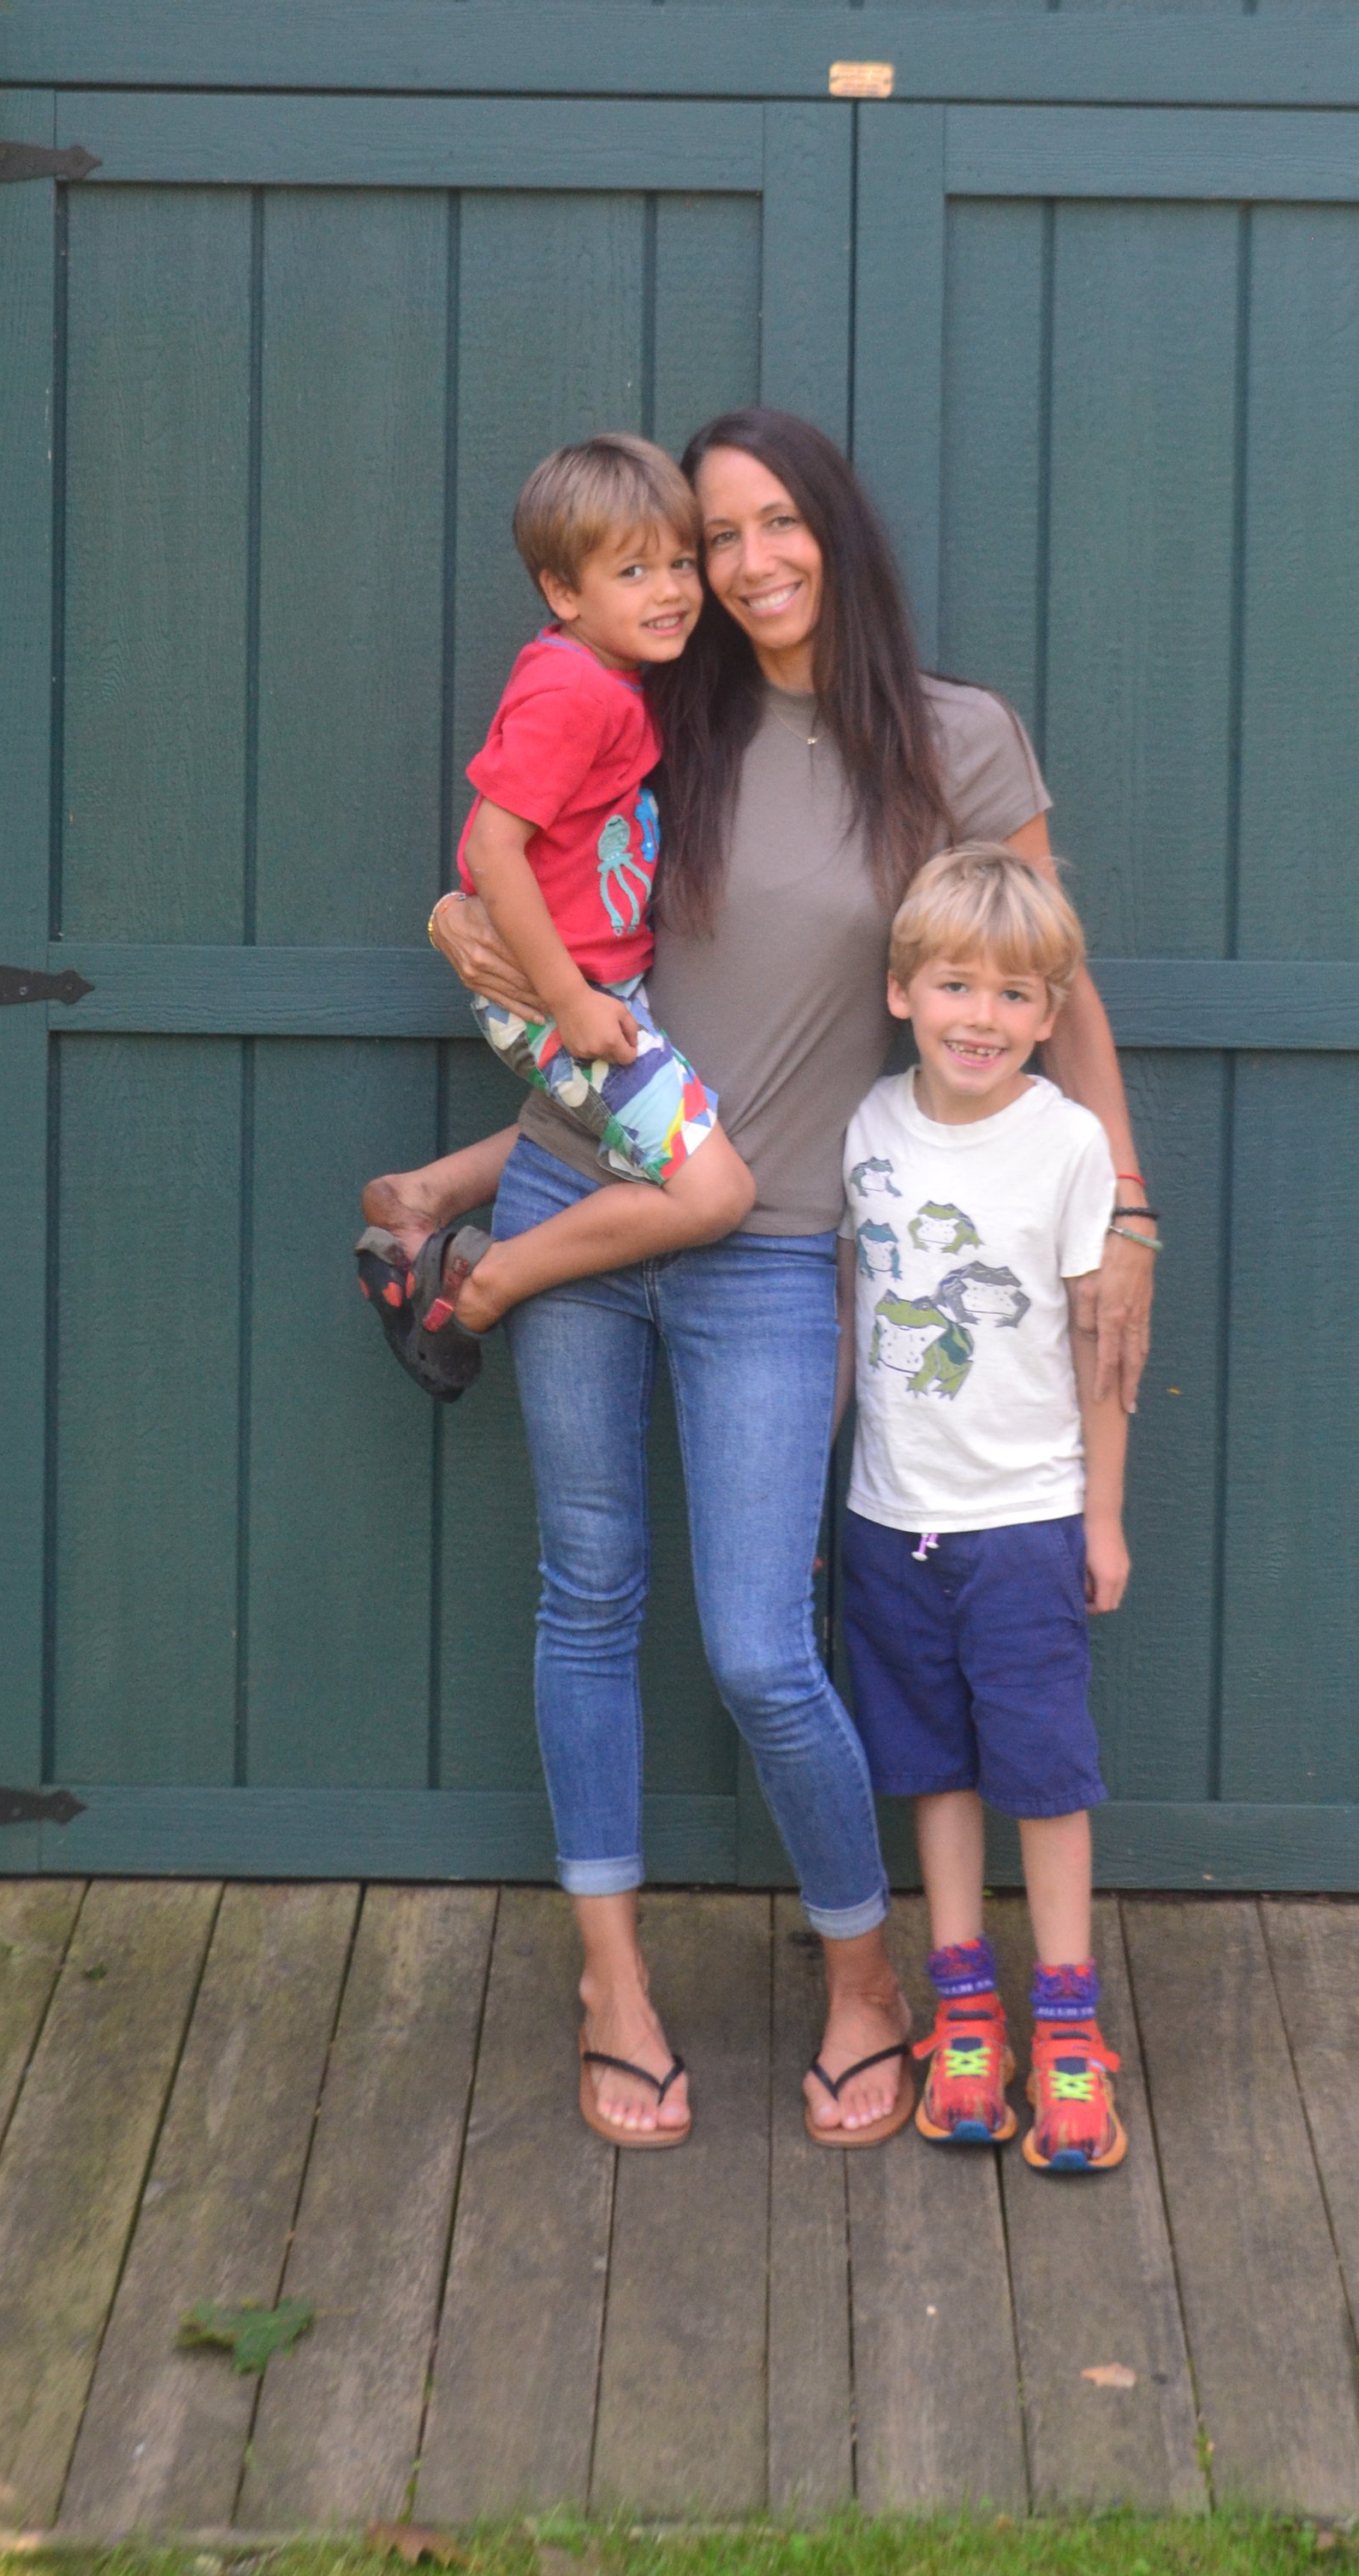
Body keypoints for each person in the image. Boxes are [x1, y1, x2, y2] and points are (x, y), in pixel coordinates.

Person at [363, 409, 1156, 2152]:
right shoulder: (655, 721)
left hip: (780, 1253)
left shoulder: (952, 737)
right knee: (586, 1596)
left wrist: (1126, 1205)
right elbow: (595, 981)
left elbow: (1056, 980)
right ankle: (612, 1985)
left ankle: (865, 1977)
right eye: (713, 538)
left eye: (774, 523)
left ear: (833, 532)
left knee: (756, 1648)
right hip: (593, 1198)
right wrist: (462, 957)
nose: (747, 563)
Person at [837, 842, 1147, 2172]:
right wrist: (819, 1485)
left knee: (1044, 1769)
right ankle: (965, 2004)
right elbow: (853, 1316)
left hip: (1025, 1518)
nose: (984, 1018)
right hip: (888, 1515)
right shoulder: (867, 1127)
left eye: (1019, 996)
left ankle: (1066, 2020)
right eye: (956, 985)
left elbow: (1099, 1342)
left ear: (1052, 1007)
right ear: (902, 990)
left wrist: (1104, 1515)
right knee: (933, 1763)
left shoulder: (1068, 1143)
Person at [356, 437, 752, 1400]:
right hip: (553, 993)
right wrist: (568, 999)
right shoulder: (575, 690)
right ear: (563, 592)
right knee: (716, 1191)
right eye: (632, 571)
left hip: (583, 987)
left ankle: (420, 1199)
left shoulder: (606, 675)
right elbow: (492, 850)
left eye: (679, 563)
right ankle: (485, 1280)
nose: (670, 591)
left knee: (618, 1123)